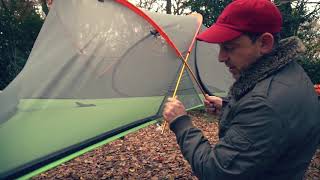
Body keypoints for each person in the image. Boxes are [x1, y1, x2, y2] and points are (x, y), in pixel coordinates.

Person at [162, 0, 320, 179]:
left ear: (264, 43)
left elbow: (215, 172)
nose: (221, 58)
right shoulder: (291, 73)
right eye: (220, 47)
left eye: (229, 47)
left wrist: (181, 123)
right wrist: (228, 105)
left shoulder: (264, 105)